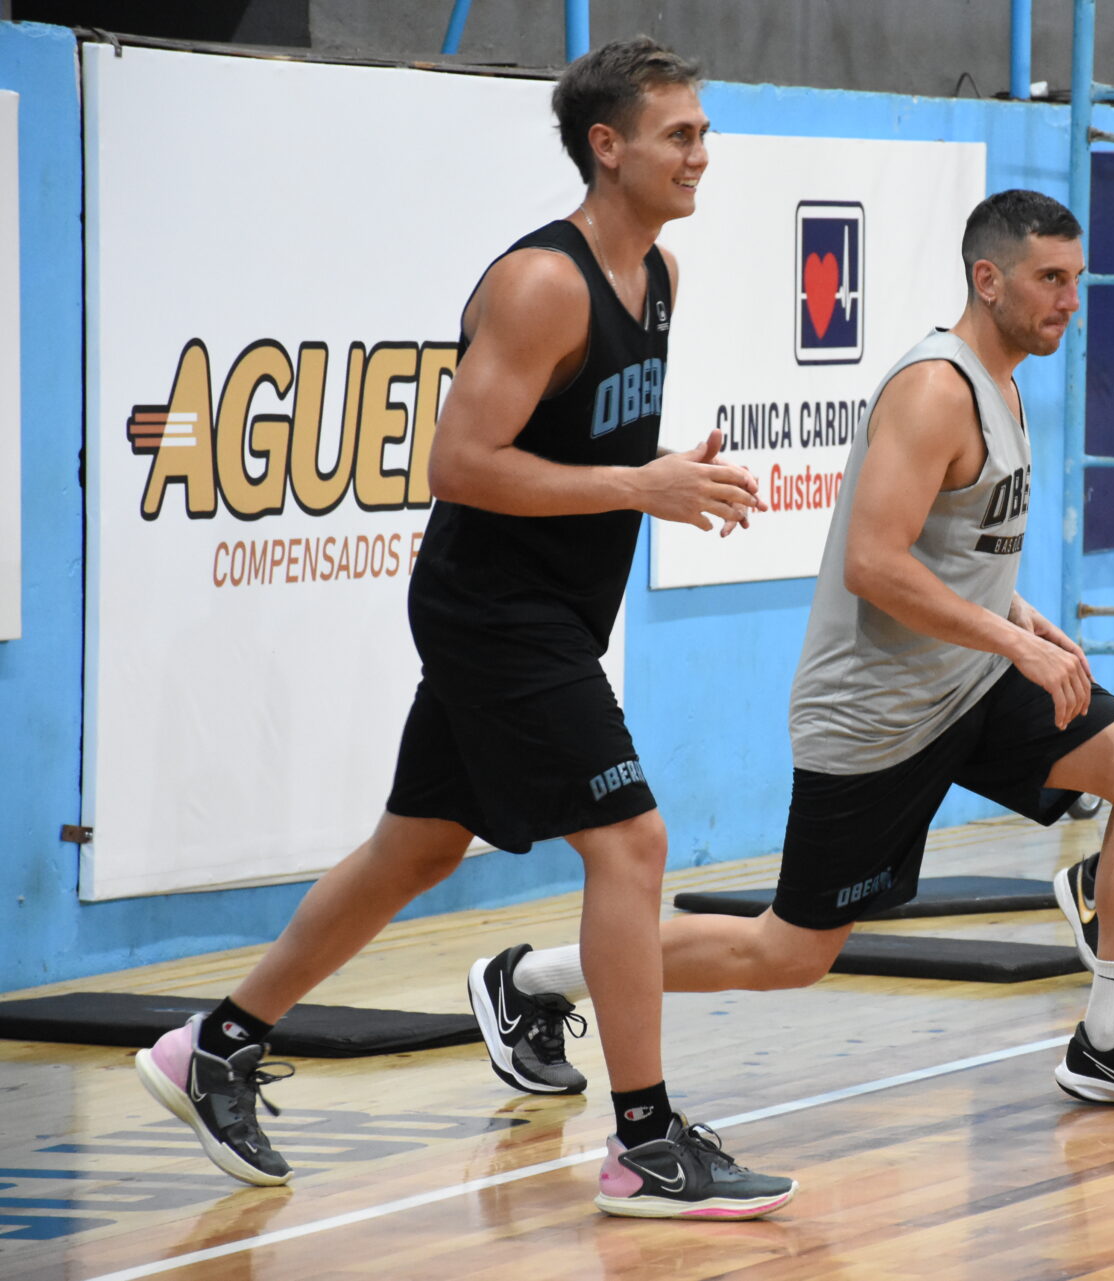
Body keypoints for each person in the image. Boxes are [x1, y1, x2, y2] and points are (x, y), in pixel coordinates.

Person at [133, 37, 796, 1221]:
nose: (703, 154)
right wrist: (638, 490)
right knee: (632, 846)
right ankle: (644, 1145)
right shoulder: (543, 283)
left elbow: (579, 446)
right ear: (609, 146)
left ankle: (217, 1046)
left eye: (703, 131)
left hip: (547, 610)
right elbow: (461, 464)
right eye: (679, 134)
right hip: (495, 610)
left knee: (419, 847)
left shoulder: (663, 276)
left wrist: (656, 469)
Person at [471, 189, 1114, 1115]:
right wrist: (1006, 635)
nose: (1069, 299)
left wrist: (1016, 613)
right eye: (1050, 279)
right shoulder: (935, 388)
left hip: (972, 681)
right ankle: (533, 978)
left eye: (1076, 279)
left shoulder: (1004, 378)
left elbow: (944, 543)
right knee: (788, 954)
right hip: (877, 715)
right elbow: (874, 562)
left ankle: (1112, 1040)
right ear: (986, 279)